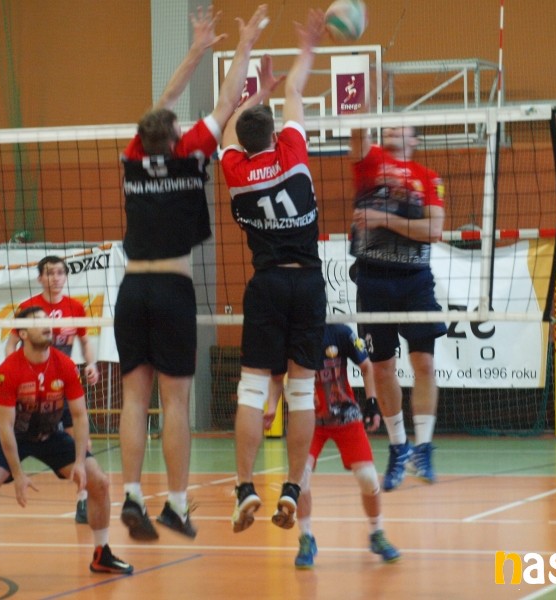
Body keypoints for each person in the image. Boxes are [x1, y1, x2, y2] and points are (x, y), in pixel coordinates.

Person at [114, 4, 269, 542]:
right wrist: (241, 45)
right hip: (173, 289)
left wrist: (196, 50)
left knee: (135, 400)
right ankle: (176, 505)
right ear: (178, 135)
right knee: (174, 402)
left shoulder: (133, 158)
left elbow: (161, 104)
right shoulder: (191, 153)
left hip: (132, 289)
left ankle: (131, 494)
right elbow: (227, 102)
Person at [219, 9, 327, 533]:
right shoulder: (294, 151)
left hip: (265, 284)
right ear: (275, 133)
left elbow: (229, 119)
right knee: (301, 391)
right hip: (307, 282)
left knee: (252, 390)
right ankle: (292, 487)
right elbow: (296, 91)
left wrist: (252, 91)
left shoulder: (234, 169)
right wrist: (307, 47)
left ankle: (245, 488)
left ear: (243, 143)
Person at [0, 307, 132, 584]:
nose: (47, 325)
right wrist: (18, 474)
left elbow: (80, 416)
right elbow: (6, 427)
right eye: (37, 321)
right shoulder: (7, 370)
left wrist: (80, 462)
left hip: (52, 436)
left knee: (100, 482)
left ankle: (101, 554)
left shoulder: (65, 365)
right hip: (15, 439)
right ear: (22, 333)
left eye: (48, 321)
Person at [349, 122, 447, 492]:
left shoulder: (428, 177)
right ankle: (398, 447)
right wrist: (359, 95)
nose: (392, 127)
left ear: (414, 139)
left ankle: (424, 448)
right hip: (373, 277)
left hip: (415, 279)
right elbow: (356, 127)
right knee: (382, 367)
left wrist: (383, 219)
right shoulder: (369, 162)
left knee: (424, 364)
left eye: (401, 126)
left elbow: (433, 230)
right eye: (388, 124)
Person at [271, 323, 400, 568]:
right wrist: (270, 406)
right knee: (300, 478)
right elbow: (276, 376)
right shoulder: (291, 336)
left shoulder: (340, 333)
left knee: (368, 478)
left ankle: (377, 533)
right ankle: (306, 538)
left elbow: (366, 367)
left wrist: (372, 403)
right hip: (307, 419)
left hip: (345, 417)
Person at [5, 255, 99, 524]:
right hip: (32, 388)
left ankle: (83, 500)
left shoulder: (75, 307)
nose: (55, 278)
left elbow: (85, 341)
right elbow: (11, 344)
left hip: (62, 385)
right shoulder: (28, 308)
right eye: (49, 273)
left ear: (65, 277)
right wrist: (12, 370)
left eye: (60, 273)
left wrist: (91, 364)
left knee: (81, 440)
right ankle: (6, 471)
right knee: (17, 433)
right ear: (40, 278)